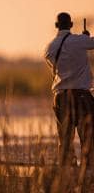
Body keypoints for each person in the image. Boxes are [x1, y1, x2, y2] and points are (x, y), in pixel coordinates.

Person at [45, 12, 94, 168]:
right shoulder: (79, 41)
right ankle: (88, 171)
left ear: (56, 26)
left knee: (65, 138)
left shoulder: (49, 48)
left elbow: (55, 69)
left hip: (60, 97)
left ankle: (67, 170)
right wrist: (86, 38)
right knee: (88, 137)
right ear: (71, 25)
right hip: (81, 96)